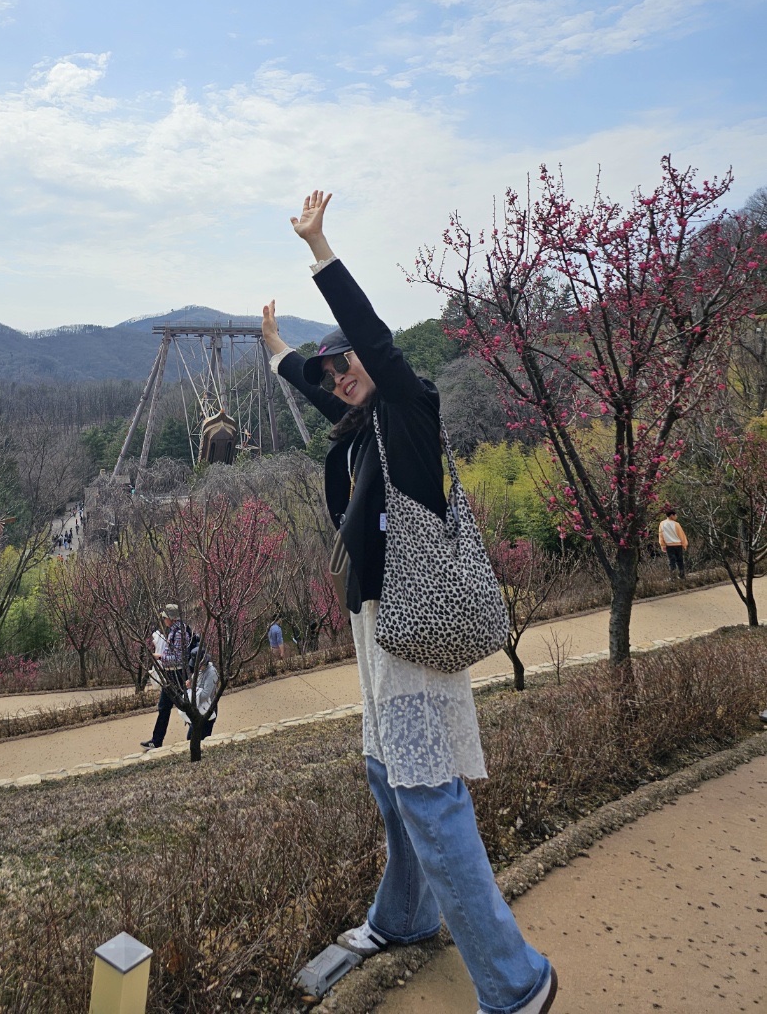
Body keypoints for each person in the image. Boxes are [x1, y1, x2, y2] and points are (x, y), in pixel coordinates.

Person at [262, 190, 557, 1014]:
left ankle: (517, 982)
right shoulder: (361, 432)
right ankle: (406, 915)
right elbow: (323, 388)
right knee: (390, 780)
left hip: (412, 633)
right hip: (376, 632)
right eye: (333, 370)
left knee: (429, 799)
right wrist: (279, 350)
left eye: (348, 361)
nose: (341, 375)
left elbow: (379, 354)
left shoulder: (411, 413)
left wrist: (322, 253)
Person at [140, 604, 188, 750]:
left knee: (183, 706)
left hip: (176, 674)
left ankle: (198, 730)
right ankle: (156, 740)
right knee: (165, 707)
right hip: (171, 674)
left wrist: (161, 657)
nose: (164, 620)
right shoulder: (173, 631)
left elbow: (180, 658)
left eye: (165, 617)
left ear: (171, 618)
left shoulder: (179, 633)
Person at [658, 507, 688, 579]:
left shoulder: (662, 524)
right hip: (678, 544)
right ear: (672, 515)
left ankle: (673, 577)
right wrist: (685, 544)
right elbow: (681, 535)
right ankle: (682, 575)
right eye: (675, 515)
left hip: (669, 545)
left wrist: (662, 545)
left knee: (672, 561)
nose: (676, 517)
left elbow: (661, 535)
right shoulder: (676, 524)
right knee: (680, 560)